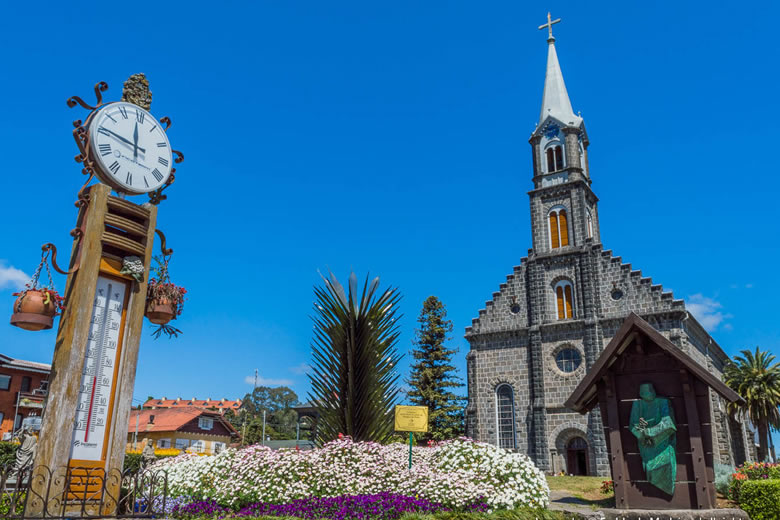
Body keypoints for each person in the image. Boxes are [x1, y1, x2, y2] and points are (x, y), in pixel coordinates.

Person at [629, 383, 677, 495]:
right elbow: (632, 425)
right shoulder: (638, 405)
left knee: (664, 464)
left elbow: (669, 424)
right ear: (641, 394)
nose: (651, 391)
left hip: (662, 443)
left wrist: (649, 432)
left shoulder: (662, 402)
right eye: (647, 390)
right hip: (646, 445)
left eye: (652, 389)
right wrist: (642, 433)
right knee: (650, 468)